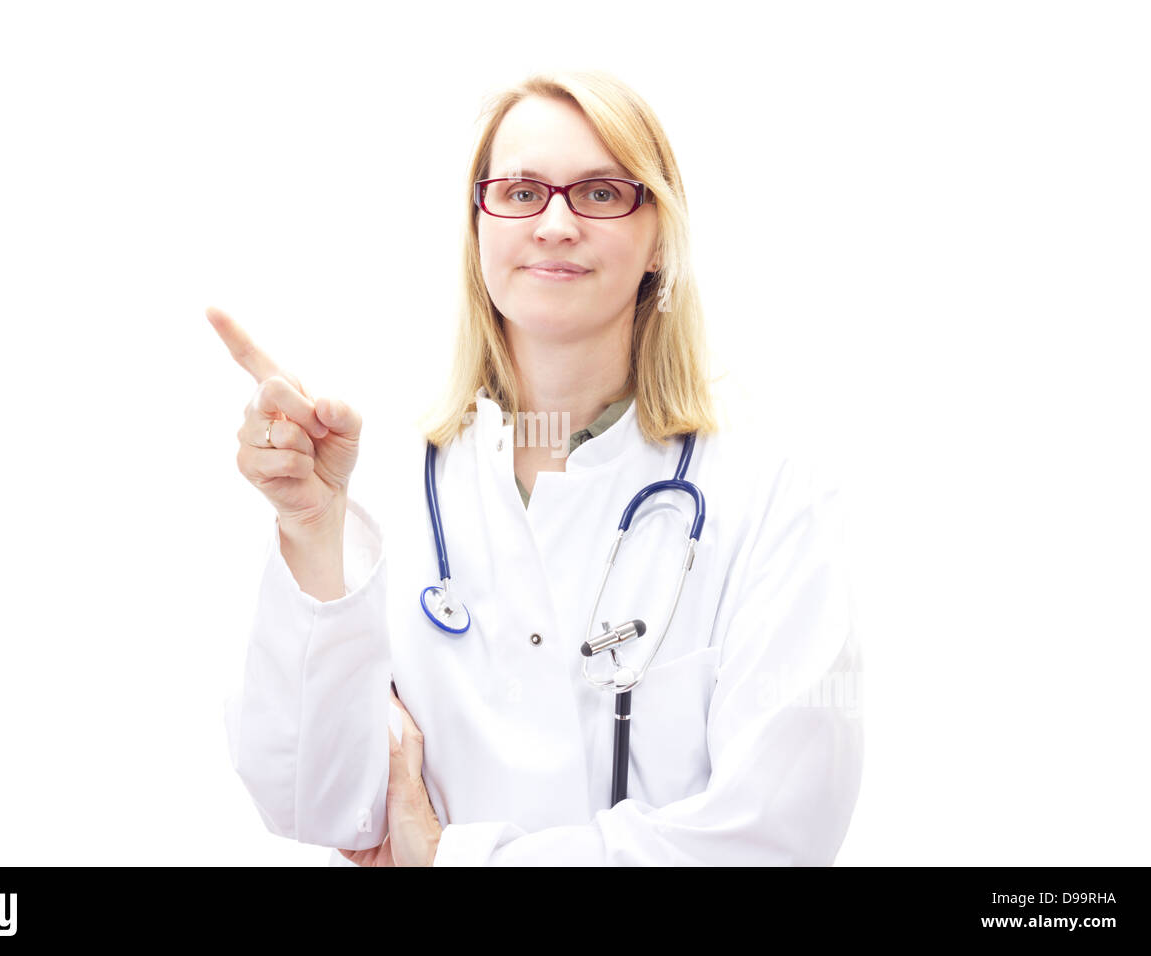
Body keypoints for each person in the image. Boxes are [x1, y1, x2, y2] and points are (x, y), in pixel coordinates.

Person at [211, 70, 863, 867]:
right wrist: (310, 530)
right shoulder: (382, 482)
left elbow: (774, 837)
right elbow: (314, 805)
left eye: (598, 193)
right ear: (480, 225)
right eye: (520, 192)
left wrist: (455, 860)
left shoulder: (769, 494)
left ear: (659, 236)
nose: (554, 223)